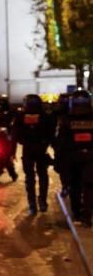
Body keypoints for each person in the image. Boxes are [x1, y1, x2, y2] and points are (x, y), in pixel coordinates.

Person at [54, 90, 93, 228]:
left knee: (75, 185)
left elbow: (60, 143)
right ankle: (87, 215)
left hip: (72, 158)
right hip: (89, 157)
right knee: (89, 186)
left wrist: (59, 162)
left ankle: (77, 213)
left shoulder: (66, 121)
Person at [13, 94, 55, 215]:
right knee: (42, 176)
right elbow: (51, 134)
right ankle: (42, 201)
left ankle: (32, 204)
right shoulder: (45, 116)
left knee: (30, 178)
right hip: (41, 150)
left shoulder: (21, 116)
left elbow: (15, 135)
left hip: (28, 150)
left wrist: (13, 150)